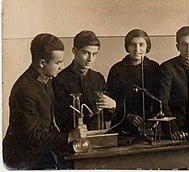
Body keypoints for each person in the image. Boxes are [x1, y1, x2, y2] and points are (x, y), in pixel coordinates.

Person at [3, 33, 87, 169]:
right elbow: (33, 135)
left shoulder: (46, 79)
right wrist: (69, 137)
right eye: (58, 62)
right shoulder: (25, 89)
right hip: (23, 159)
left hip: (40, 153)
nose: (62, 66)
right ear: (42, 63)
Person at [53, 30, 117, 132]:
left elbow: (107, 118)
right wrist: (91, 111)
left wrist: (112, 107)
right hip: (74, 141)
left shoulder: (98, 78)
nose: (90, 59)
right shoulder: (60, 80)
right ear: (74, 51)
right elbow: (61, 120)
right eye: (86, 53)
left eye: (94, 54)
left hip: (98, 138)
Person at [107, 29, 161, 136]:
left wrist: (156, 118)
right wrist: (127, 115)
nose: (137, 49)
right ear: (127, 47)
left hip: (150, 128)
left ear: (147, 47)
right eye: (133, 45)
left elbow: (160, 97)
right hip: (123, 126)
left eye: (141, 45)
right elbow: (112, 101)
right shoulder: (117, 69)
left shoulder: (155, 68)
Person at [158, 26, 189, 140]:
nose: (188, 49)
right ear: (178, 47)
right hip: (175, 130)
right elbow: (162, 102)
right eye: (184, 44)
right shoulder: (167, 68)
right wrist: (173, 130)